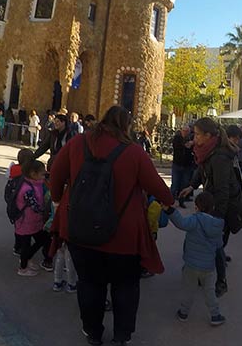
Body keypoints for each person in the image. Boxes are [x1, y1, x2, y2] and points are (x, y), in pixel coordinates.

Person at [49, 105, 174, 346]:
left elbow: (56, 173)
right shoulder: (134, 152)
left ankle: (93, 332)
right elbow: (160, 190)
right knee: (125, 287)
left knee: (89, 284)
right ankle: (121, 336)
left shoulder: (78, 143)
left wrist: (57, 199)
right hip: (123, 236)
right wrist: (168, 201)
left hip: (81, 228)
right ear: (126, 126)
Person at [177, 117, 240, 298]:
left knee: (216, 244)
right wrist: (192, 186)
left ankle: (221, 281)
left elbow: (223, 190)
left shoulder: (219, 156)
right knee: (212, 243)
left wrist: (216, 219)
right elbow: (201, 170)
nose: (194, 137)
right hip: (213, 202)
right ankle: (202, 273)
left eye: (197, 134)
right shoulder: (208, 150)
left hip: (222, 205)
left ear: (208, 135)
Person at [164, 191, 226, 327]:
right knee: (209, 292)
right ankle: (215, 315)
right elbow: (219, 246)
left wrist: (169, 210)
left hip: (191, 265)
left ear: (197, 207)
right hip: (208, 267)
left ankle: (183, 312)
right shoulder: (217, 226)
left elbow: (180, 222)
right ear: (212, 208)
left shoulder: (194, 220)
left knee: (188, 289)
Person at [13, 159, 51, 277]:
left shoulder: (34, 183)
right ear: (33, 174)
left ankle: (27, 259)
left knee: (42, 239)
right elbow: (35, 206)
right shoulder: (27, 189)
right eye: (42, 173)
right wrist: (48, 210)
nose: (44, 175)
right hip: (26, 221)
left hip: (33, 221)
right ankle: (23, 268)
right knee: (26, 244)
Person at [170, 124, 195, 208]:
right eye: (184, 131)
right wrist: (189, 144)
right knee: (175, 185)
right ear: (181, 131)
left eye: (187, 131)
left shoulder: (191, 138)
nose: (185, 133)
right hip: (177, 164)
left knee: (184, 185)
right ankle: (170, 200)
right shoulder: (177, 138)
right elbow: (182, 146)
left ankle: (181, 201)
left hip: (187, 166)